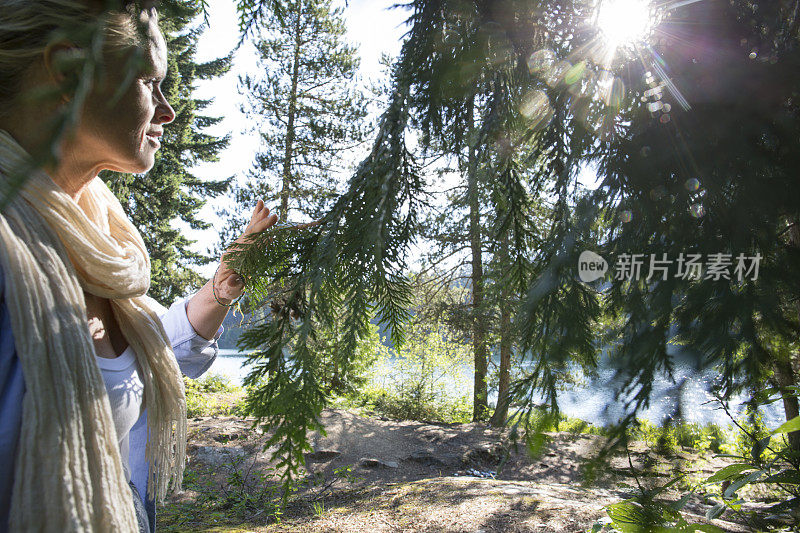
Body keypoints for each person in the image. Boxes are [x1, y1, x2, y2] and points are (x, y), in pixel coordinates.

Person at [0, 2, 276, 531]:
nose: (169, 111)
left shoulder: (96, 233)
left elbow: (138, 363)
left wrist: (218, 290)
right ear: (69, 73)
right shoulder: (12, 253)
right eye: (150, 81)